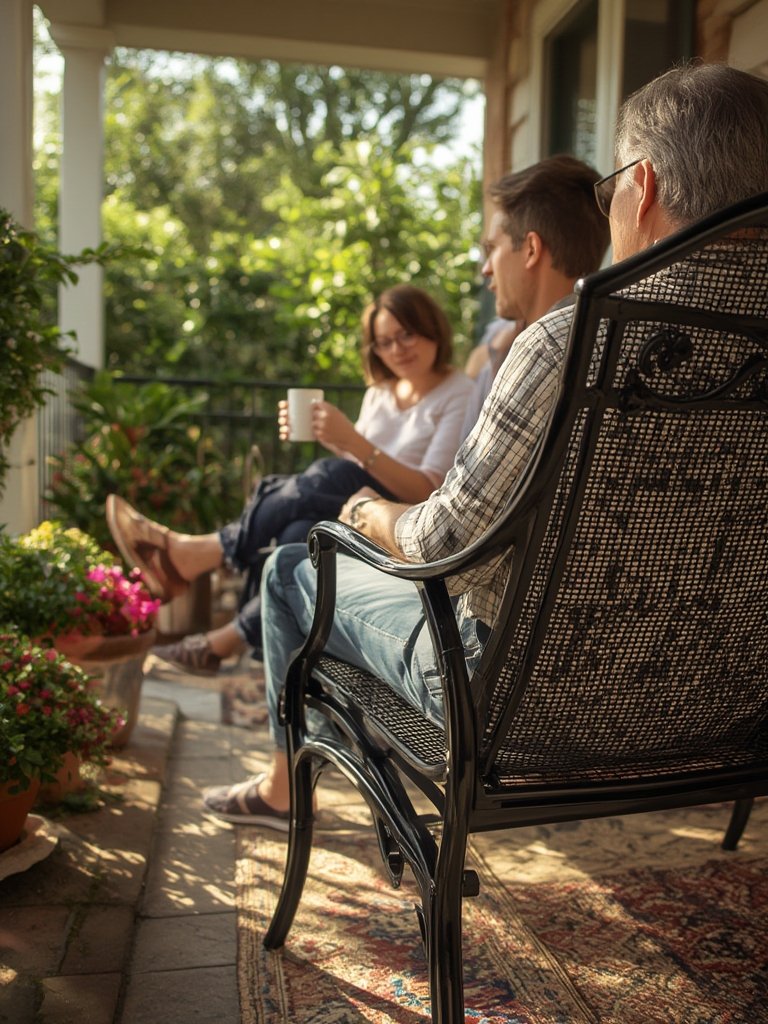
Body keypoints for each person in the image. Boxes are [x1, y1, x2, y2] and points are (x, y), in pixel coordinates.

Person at [201, 61, 768, 830]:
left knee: (293, 568)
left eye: (612, 191)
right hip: (732, 707)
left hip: (520, 703)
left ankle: (279, 791)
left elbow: (448, 543)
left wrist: (368, 517)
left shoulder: (566, 345)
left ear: (647, 187)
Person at [107, 284, 476, 675]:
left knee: (328, 476)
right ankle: (240, 650)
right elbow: (360, 461)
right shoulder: (381, 392)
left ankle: (205, 558)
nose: (398, 349)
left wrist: (351, 440)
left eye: (407, 334)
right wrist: (331, 437)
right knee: (298, 534)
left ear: (432, 329)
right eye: (384, 342)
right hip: (358, 510)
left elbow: (427, 489)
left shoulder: (459, 392)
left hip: (402, 523)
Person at [459, 154, 610, 438]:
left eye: (492, 249)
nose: (486, 269)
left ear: (531, 249)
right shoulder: (615, 354)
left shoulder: (538, 360)